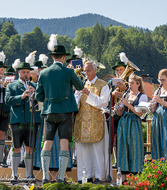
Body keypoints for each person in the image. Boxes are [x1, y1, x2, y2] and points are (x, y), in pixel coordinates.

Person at [35, 45, 84, 184]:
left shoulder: (44, 73)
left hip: (49, 112)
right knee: (64, 144)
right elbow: (80, 87)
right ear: (64, 57)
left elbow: (39, 96)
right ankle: (61, 178)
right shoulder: (69, 72)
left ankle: (45, 177)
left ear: (52, 57)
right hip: (65, 112)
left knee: (47, 143)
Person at [74, 61, 111, 183]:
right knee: (84, 150)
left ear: (95, 70)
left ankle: (100, 176)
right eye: (85, 70)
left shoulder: (103, 85)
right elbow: (76, 104)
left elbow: (103, 103)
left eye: (88, 70)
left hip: (96, 123)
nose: (86, 73)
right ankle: (86, 176)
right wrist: (77, 96)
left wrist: (89, 93)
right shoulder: (81, 85)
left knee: (97, 149)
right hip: (82, 122)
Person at [5, 62, 41, 182]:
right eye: (23, 72)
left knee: (30, 148)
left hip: (31, 121)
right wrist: (21, 96)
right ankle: (14, 175)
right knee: (17, 148)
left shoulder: (34, 85)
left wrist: (34, 93)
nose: (26, 74)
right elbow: (8, 101)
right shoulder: (12, 86)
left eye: (27, 72)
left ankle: (29, 175)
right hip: (17, 120)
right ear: (18, 72)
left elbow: (40, 101)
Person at [117, 74, 148, 181]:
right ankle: (123, 180)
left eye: (132, 83)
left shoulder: (142, 96)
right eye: (129, 83)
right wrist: (118, 106)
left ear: (138, 84)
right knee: (123, 148)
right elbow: (119, 113)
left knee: (134, 149)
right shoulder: (126, 94)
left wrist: (128, 105)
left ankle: (136, 181)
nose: (129, 85)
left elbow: (140, 114)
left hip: (134, 124)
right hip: (124, 124)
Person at [108, 61, 127, 167]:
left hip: (124, 112)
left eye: (121, 70)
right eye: (117, 70)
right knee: (114, 136)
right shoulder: (111, 82)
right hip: (113, 112)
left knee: (122, 136)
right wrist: (113, 93)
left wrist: (124, 89)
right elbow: (106, 93)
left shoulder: (128, 81)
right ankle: (116, 160)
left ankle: (122, 159)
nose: (119, 72)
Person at [0, 61, 10, 167]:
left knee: (2, 135)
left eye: (2, 70)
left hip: (4, 110)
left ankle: (1, 159)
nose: (1, 72)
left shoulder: (7, 82)